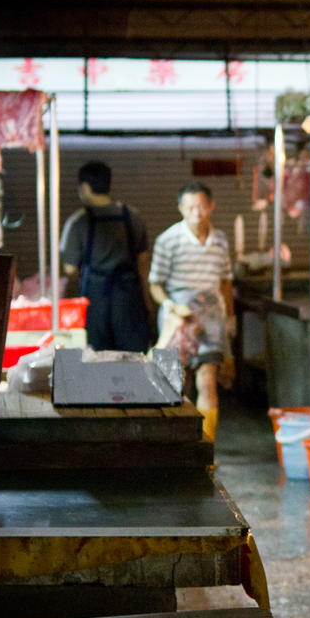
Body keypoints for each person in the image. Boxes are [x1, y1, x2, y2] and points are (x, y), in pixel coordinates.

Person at [149, 182, 235, 441]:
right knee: (176, 382)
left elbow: (226, 282)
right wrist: (169, 305)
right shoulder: (168, 240)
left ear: (211, 206)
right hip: (178, 317)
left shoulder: (219, 241)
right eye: (190, 208)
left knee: (208, 379)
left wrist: (230, 319)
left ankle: (206, 446)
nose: (196, 213)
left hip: (211, 317)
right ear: (181, 209)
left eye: (201, 207)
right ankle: (178, 443)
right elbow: (155, 284)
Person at [61, 160, 152, 352]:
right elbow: (143, 263)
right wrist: (148, 303)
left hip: (95, 302)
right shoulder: (133, 216)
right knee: (133, 359)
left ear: (85, 187)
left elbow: (70, 270)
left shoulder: (78, 222)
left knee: (97, 360)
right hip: (129, 299)